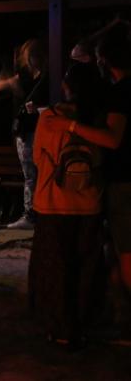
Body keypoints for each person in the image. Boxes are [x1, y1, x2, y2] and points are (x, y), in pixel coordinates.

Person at [43, 27, 131, 310]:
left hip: (124, 180)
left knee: (126, 250)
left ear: (106, 59)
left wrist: (69, 126)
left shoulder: (120, 93)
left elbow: (113, 139)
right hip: (121, 179)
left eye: (98, 58)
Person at [29, 63, 105, 350]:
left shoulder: (50, 117)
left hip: (52, 203)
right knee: (84, 268)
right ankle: (81, 326)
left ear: (65, 87)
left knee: (55, 269)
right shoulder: (97, 121)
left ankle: (58, 328)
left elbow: (37, 158)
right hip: (88, 203)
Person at [0, 38, 49, 230]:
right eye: (31, 55)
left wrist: (38, 109)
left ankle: (34, 214)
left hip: (38, 132)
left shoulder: (46, 80)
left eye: (36, 55)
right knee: (30, 174)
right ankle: (32, 213)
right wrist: (10, 78)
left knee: (35, 174)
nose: (34, 59)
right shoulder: (27, 78)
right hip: (27, 132)